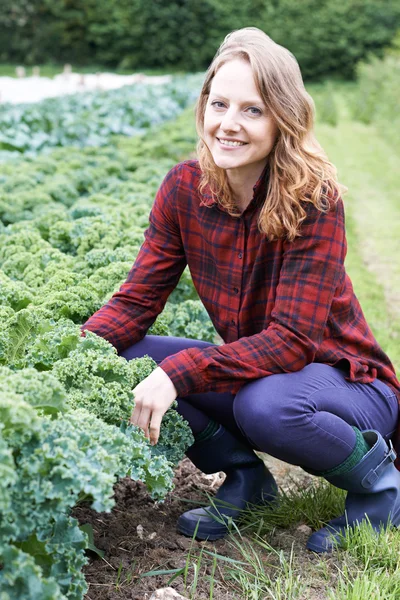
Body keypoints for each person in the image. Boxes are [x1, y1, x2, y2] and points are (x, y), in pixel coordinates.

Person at [81, 27, 400, 553]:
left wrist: (179, 372)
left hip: (351, 387)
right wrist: (74, 353)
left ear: (283, 118)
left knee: (265, 405)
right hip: (264, 373)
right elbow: (136, 301)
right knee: (127, 355)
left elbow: (293, 342)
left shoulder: (313, 201)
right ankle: (246, 481)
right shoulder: (184, 188)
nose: (228, 124)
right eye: (219, 103)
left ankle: (381, 488)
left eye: (252, 110)